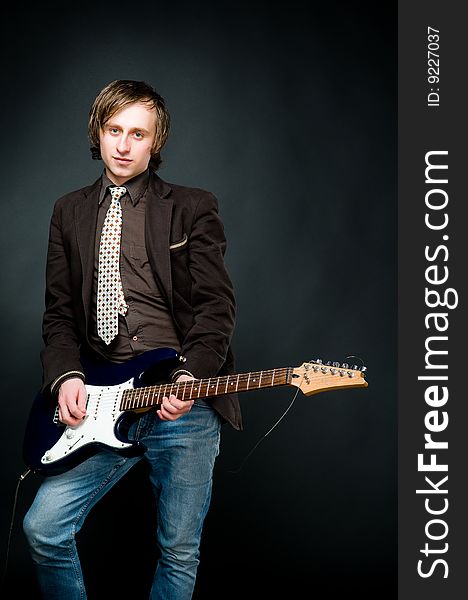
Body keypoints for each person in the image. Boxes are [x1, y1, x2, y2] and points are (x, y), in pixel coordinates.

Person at [23, 79, 242, 599]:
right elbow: (58, 314)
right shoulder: (68, 211)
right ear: (97, 133)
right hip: (104, 399)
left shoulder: (192, 206)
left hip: (181, 400)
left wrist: (191, 376)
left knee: (178, 550)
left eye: (138, 134)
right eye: (114, 129)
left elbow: (216, 307)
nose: (123, 145)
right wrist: (66, 377)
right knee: (44, 527)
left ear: (155, 142)